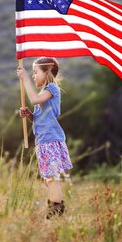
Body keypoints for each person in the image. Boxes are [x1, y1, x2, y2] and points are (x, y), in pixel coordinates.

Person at [16, 57, 72, 219]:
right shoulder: (44, 92)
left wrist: (24, 78)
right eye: (31, 73)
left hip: (50, 140)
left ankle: (55, 214)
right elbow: (42, 118)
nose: (33, 76)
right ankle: (55, 212)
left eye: (35, 72)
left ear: (46, 72)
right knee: (48, 178)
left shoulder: (52, 89)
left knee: (52, 178)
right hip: (43, 141)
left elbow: (34, 99)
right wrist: (30, 115)